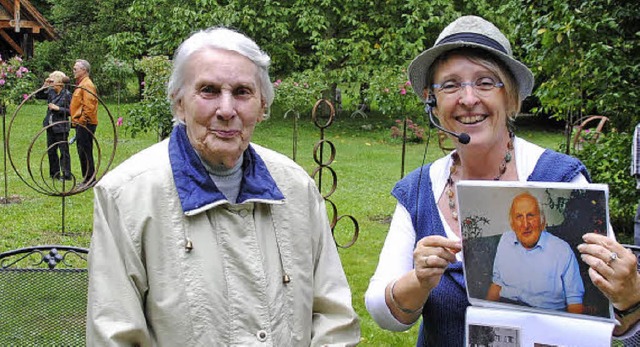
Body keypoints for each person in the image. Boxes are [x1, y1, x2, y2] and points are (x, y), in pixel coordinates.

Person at [364, 15, 640, 346]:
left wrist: (630, 296)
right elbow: (382, 311)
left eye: (484, 82)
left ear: (510, 98)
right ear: (432, 102)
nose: (468, 99)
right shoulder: (418, 190)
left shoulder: (562, 179)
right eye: (450, 85)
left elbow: (612, 323)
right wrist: (419, 281)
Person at [85, 27, 360, 345]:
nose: (227, 110)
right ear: (178, 103)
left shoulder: (296, 188)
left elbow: (333, 315)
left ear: (262, 105)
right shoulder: (126, 196)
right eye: (209, 90)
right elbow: (114, 333)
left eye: (242, 92)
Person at [486, 192, 584, 313]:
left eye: (531, 215)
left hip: (546, 317)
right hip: (507, 312)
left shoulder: (562, 250)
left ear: (542, 222)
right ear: (512, 224)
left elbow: (574, 301)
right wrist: (484, 316)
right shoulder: (505, 241)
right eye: (519, 217)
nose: (525, 224)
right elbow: (496, 284)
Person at [37, 71, 72, 181]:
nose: (51, 83)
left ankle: (66, 175)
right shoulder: (51, 92)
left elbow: (71, 111)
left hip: (61, 126)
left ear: (59, 82)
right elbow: (38, 95)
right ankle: (54, 174)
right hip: (50, 125)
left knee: (63, 151)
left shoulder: (67, 94)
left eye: (53, 81)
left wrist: (58, 109)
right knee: (51, 150)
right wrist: (44, 85)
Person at [70, 59, 98, 188]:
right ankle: (88, 178)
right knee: (83, 151)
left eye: (76, 69)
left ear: (84, 70)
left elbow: (89, 106)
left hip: (85, 123)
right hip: (82, 123)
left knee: (85, 151)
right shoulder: (82, 83)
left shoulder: (87, 85)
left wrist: (82, 121)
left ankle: (89, 180)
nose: (73, 71)